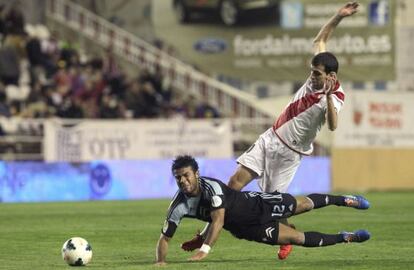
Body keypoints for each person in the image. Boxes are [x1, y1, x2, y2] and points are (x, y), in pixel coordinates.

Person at [181, 1, 360, 260]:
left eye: (317, 74)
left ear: (331, 77)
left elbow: (332, 125)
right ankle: (206, 234)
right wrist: (338, 16)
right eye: (312, 71)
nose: (312, 77)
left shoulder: (337, 96)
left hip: (289, 155)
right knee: (232, 185)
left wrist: (330, 96)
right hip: (271, 139)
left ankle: (288, 234)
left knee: (273, 207)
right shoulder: (317, 70)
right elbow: (321, 39)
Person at [155, 155, 370, 265]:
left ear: (196, 174)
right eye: (178, 178)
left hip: (259, 204)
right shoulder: (178, 205)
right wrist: (160, 262)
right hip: (248, 229)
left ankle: (344, 199)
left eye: (186, 175)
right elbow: (165, 239)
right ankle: (346, 237)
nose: (183, 181)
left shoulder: (212, 187)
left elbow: (218, 219)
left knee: (302, 205)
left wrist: (204, 249)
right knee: (296, 239)